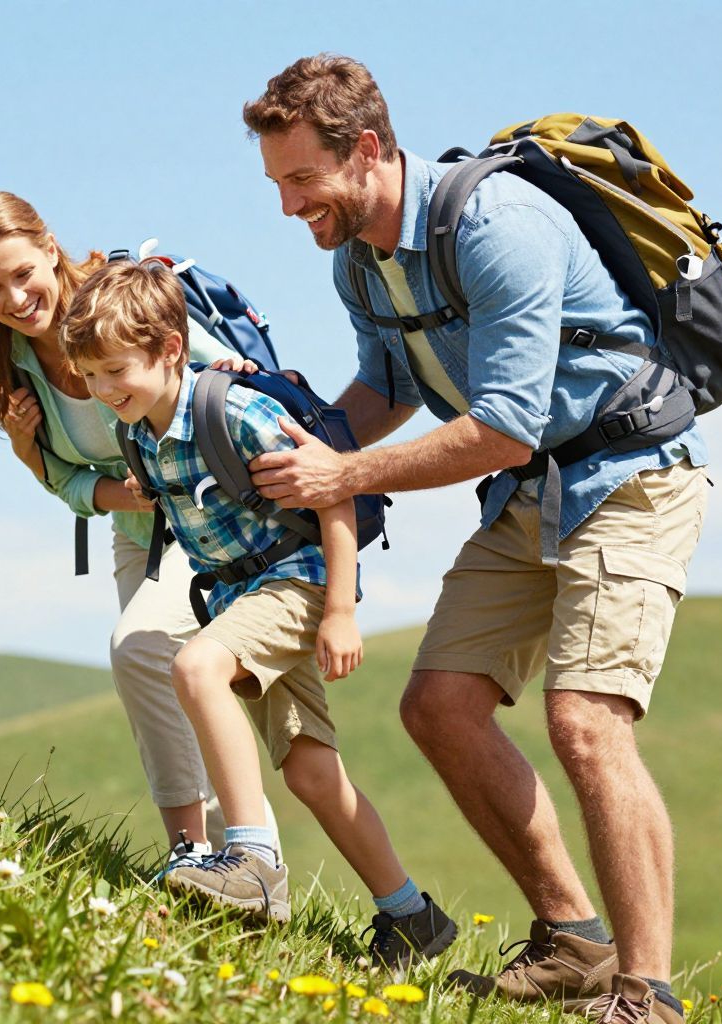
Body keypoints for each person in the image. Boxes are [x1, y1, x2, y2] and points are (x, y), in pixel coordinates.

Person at [240, 55, 710, 1022]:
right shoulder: (358, 260)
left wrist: (345, 475)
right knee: (440, 705)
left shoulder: (498, 227)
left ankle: (647, 994)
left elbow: (502, 424)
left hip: (630, 476)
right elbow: (384, 392)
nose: (289, 206)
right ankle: (573, 941)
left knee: (586, 724)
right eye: (276, 183)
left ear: (365, 150)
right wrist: (280, 454)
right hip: (533, 489)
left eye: (301, 180)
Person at [60, 258, 458, 966]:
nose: (103, 389)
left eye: (117, 370)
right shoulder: (140, 436)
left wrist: (339, 610)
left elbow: (333, 492)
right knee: (310, 772)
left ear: (171, 350)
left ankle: (253, 863)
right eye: (91, 376)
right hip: (241, 594)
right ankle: (410, 914)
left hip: (298, 581)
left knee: (198, 665)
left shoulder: (236, 410)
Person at [0, 190, 279, 871]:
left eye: (21, 273)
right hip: (136, 535)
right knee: (160, 685)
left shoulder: (118, 300)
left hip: (211, 519)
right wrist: (46, 462)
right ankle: (217, 867)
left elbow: (223, 376)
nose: (13, 298)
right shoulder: (9, 361)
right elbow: (66, 483)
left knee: (138, 652)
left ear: (49, 249)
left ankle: (215, 854)